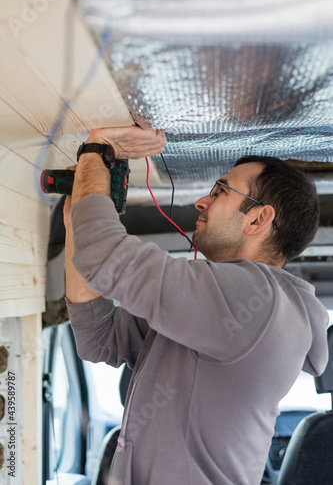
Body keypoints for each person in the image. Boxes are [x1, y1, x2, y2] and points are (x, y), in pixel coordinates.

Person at [64, 125, 329, 485]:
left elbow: (104, 257)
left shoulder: (257, 300)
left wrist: (97, 151)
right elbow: (100, 338)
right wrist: (74, 223)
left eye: (220, 191)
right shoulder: (227, 303)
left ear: (258, 219)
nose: (201, 201)